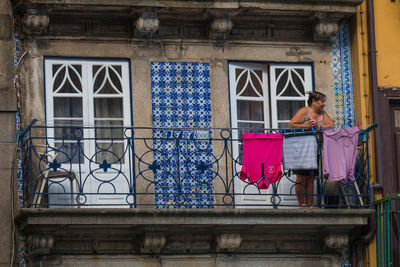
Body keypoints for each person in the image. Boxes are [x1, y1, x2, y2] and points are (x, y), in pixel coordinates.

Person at [288, 91, 334, 208]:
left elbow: (331, 125)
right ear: (313, 101)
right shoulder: (304, 111)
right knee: (301, 177)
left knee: (311, 178)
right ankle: (302, 204)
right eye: (321, 102)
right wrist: (307, 125)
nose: (323, 104)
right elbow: (292, 125)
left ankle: (309, 204)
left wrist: (319, 126)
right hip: (302, 149)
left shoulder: (323, 113)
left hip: (316, 149)